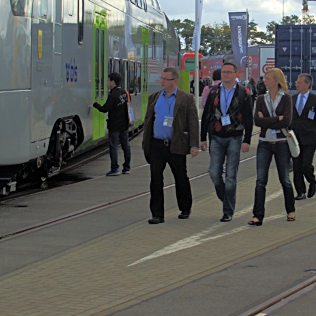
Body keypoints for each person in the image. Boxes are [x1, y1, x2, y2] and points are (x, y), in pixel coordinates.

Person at [141, 66, 200, 224]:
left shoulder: (186, 98)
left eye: (165, 79)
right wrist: (145, 142)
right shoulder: (154, 97)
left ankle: (185, 208)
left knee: (180, 177)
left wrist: (194, 144)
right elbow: (148, 121)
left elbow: (193, 122)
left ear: (174, 81)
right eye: (161, 78)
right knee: (155, 179)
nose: (162, 82)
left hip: (176, 145)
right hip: (157, 144)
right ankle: (157, 214)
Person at [200, 62, 253, 222]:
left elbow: (249, 118)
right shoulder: (214, 91)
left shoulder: (243, 92)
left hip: (235, 137)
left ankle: (228, 211)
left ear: (236, 74)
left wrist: (247, 140)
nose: (226, 75)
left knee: (231, 176)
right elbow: (207, 115)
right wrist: (202, 137)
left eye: (229, 72)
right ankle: (225, 197)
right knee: (214, 173)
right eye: (224, 72)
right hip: (216, 136)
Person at [250, 68, 296, 225]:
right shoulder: (261, 99)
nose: (265, 81)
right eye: (265, 78)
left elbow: (286, 122)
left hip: (281, 143)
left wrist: (267, 119)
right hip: (264, 142)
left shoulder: (286, 99)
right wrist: (276, 118)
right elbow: (257, 121)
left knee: (284, 179)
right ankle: (258, 215)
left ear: (277, 81)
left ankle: (290, 210)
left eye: (268, 78)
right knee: (260, 180)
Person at [291, 73, 316, 200]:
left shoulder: (315, 100)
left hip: (310, 138)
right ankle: (300, 191)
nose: (296, 84)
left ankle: (312, 181)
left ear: (307, 84)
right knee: (296, 166)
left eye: (299, 82)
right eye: (297, 82)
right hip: (295, 138)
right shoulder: (292, 99)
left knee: (306, 165)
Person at [93, 71, 132, 176]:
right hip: (124, 124)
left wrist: (95, 105)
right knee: (126, 146)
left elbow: (105, 109)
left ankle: (115, 168)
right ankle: (127, 167)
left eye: (108, 80)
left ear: (113, 82)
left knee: (114, 147)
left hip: (114, 125)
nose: (107, 82)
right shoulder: (125, 92)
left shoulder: (113, 95)